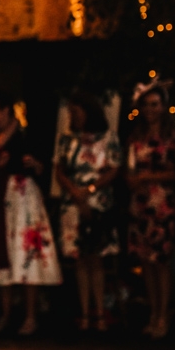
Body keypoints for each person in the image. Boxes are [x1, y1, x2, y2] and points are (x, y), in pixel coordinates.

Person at [0, 93, 62, 336]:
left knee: (27, 256)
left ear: (6, 111)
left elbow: (44, 167)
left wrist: (36, 166)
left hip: (24, 199)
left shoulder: (26, 135)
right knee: (2, 252)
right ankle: (5, 315)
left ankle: (30, 316)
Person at [54, 90, 121, 332]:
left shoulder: (108, 137)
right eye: (70, 112)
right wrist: (75, 191)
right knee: (80, 259)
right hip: (73, 201)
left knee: (97, 259)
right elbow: (60, 170)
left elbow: (113, 169)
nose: (73, 116)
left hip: (98, 201)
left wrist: (90, 189)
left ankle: (100, 313)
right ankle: (83, 312)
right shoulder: (67, 139)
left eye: (76, 111)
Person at [125, 83, 175, 339]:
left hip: (162, 203)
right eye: (146, 105)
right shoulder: (136, 136)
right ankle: (152, 311)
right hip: (141, 204)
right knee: (146, 260)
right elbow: (130, 167)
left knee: (161, 261)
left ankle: (163, 313)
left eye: (155, 104)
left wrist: (149, 176)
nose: (150, 109)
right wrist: (133, 180)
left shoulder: (172, 135)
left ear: (163, 106)